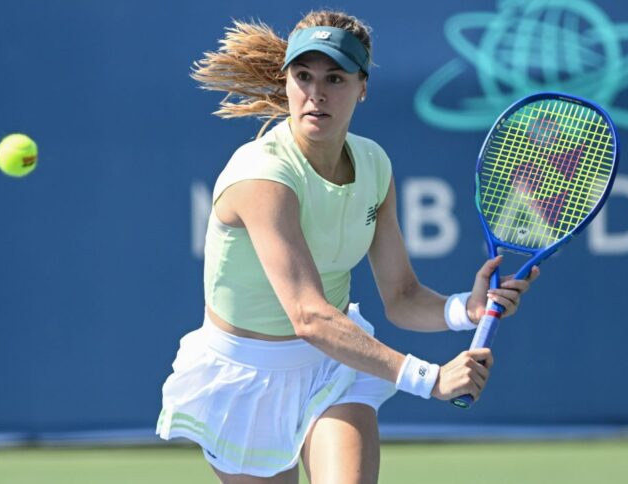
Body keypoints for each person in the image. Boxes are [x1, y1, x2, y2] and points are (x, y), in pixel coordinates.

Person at [157, 10, 538, 484]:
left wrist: (466, 310)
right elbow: (310, 316)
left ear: (362, 87)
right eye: (304, 76)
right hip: (246, 377)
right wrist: (430, 379)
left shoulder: (374, 164)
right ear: (287, 81)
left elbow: (401, 296)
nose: (316, 93)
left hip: (333, 364)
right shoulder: (262, 175)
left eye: (335, 78)